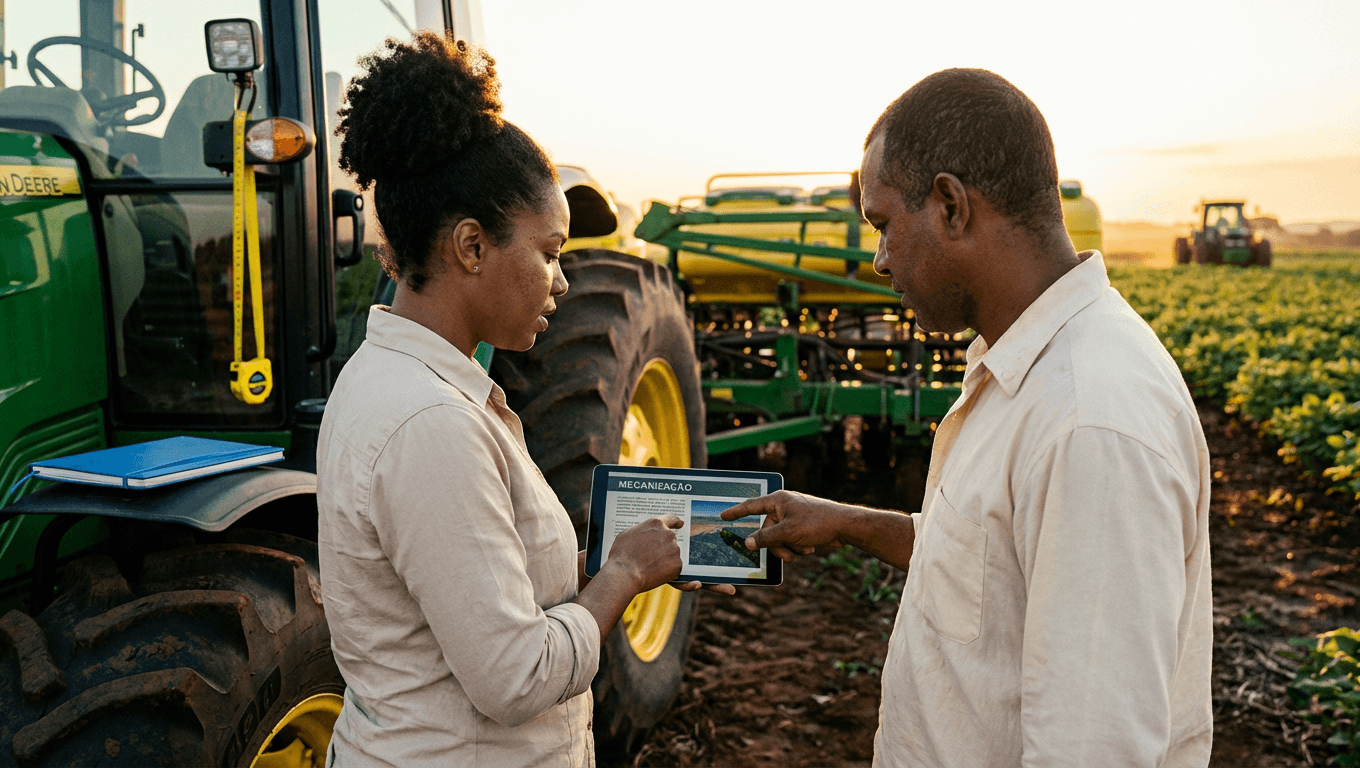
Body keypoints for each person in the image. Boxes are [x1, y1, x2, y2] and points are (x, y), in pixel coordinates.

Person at [723, 69, 1213, 767]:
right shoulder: (1018, 362)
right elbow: (994, 566)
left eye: (885, 224)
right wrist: (847, 523)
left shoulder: (1090, 420)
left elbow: (1092, 747)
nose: (880, 259)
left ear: (951, 205)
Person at [315, 33, 729, 768]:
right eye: (549, 253)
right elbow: (515, 677)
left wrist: (602, 556)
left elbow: (472, 581)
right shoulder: (432, 421)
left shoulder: (398, 382)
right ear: (471, 247)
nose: (562, 282)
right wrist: (623, 577)